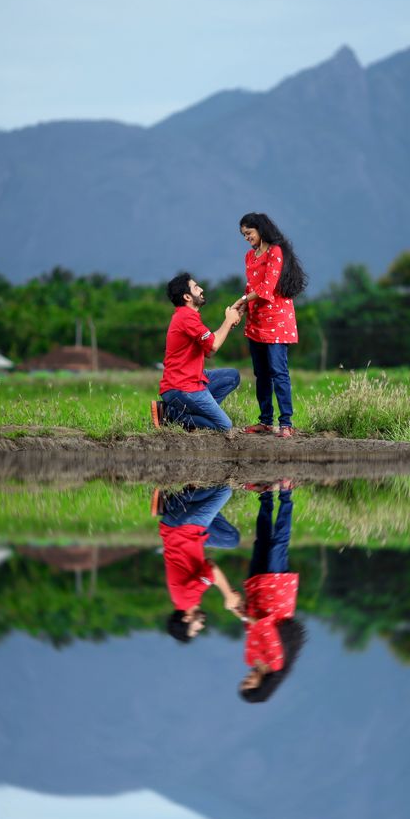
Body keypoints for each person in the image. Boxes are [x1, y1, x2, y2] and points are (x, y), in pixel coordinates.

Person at [232, 481, 306, 702]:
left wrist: (243, 610)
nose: (246, 679)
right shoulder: (276, 663)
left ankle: (265, 495)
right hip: (276, 594)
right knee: (278, 545)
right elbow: (266, 628)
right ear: (261, 686)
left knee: (261, 543)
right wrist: (243, 615)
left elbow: (251, 629)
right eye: (249, 684)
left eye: (243, 681)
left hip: (257, 592)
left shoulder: (249, 658)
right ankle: (286, 492)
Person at [238, 213, 308, 438]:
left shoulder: (275, 252)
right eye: (244, 235)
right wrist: (242, 308)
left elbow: (267, 288)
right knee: (261, 373)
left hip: (277, 321)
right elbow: (251, 287)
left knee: (279, 372)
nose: (247, 238)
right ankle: (265, 421)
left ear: (260, 229)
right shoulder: (250, 256)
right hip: (256, 320)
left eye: (249, 233)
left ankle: (286, 422)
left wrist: (241, 301)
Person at [152, 272, 245, 432]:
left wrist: (228, 323)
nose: (201, 289)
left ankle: (196, 415)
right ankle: (170, 414)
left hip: (193, 380)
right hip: (182, 387)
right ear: (187, 297)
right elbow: (214, 345)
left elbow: (209, 351)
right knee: (225, 426)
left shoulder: (188, 317)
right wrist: (228, 320)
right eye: (196, 287)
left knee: (232, 376)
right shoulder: (187, 318)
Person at [157, 485, 243, 643]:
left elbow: (212, 569)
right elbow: (208, 565)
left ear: (186, 619)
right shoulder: (182, 600)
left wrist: (228, 595)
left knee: (225, 491)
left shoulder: (187, 599)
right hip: (187, 533)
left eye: (195, 628)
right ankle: (177, 506)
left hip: (183, 528)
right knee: (232, 539)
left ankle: (177, 500)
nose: (201, 626)